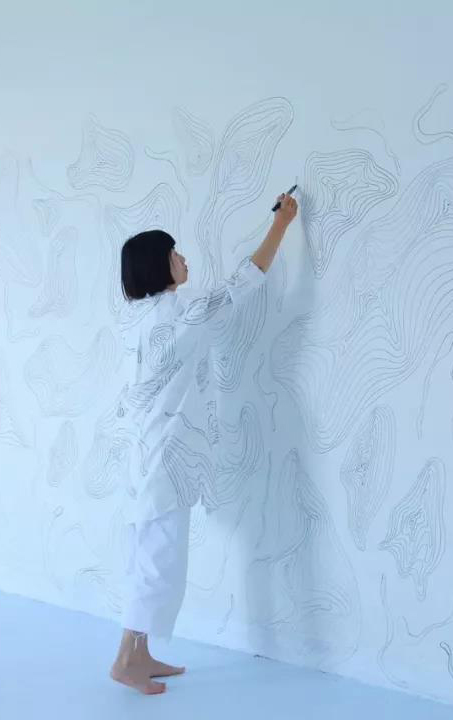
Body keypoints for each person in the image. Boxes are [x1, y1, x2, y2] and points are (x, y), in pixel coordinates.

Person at [111, 192, 299, 694]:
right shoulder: (181, 319)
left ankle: (141, 654)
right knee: (158, 562)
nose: (183, 259)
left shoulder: (139, 321)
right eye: (175, 253)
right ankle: (127, 660)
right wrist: (281, 225)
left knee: (147, 557)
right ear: (159, 266)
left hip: (144, 460)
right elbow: (243, 283)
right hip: (165, 463)